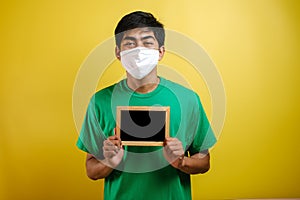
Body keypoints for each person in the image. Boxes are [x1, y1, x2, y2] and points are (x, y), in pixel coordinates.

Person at [76, 11, 217, 200]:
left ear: (161, 52)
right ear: (118, 52)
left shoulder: (188, 99)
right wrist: (110, 162)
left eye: (147, 42)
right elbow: (91, 170)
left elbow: (204, 162)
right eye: (130, 43)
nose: (138, 49)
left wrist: (181, 161)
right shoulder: (99, 102)